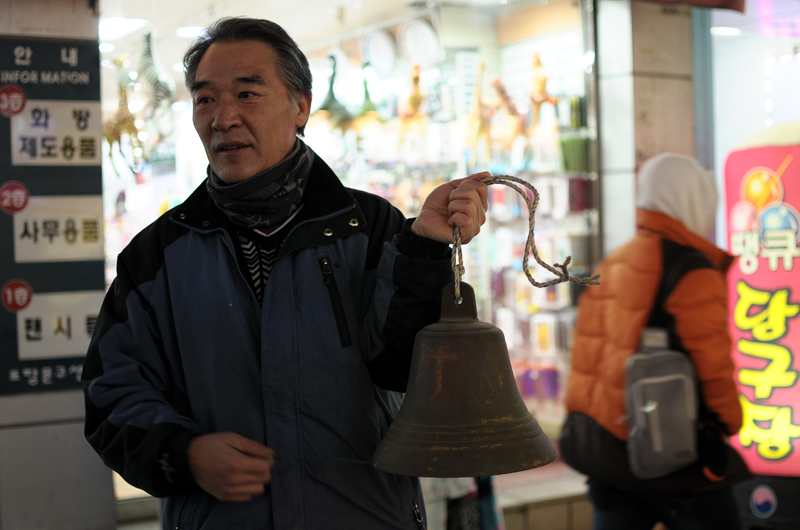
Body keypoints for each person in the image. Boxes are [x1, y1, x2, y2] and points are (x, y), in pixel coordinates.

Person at [82, 17, 489, 530]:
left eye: (247, 94)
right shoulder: (157, 255)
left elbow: (405, 371)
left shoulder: (370, 228)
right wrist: (184, 453)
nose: (223, 117)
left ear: (300, 105)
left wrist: (426, 250)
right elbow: (111, 397)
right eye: (205, 99)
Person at [558, 153, 751, 530]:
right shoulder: (690, 269)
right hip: (669, 453)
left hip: (607, 454)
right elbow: (712, 365)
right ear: (693, 200)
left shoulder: (614, 262)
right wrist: (731, 421)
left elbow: (587, 358)